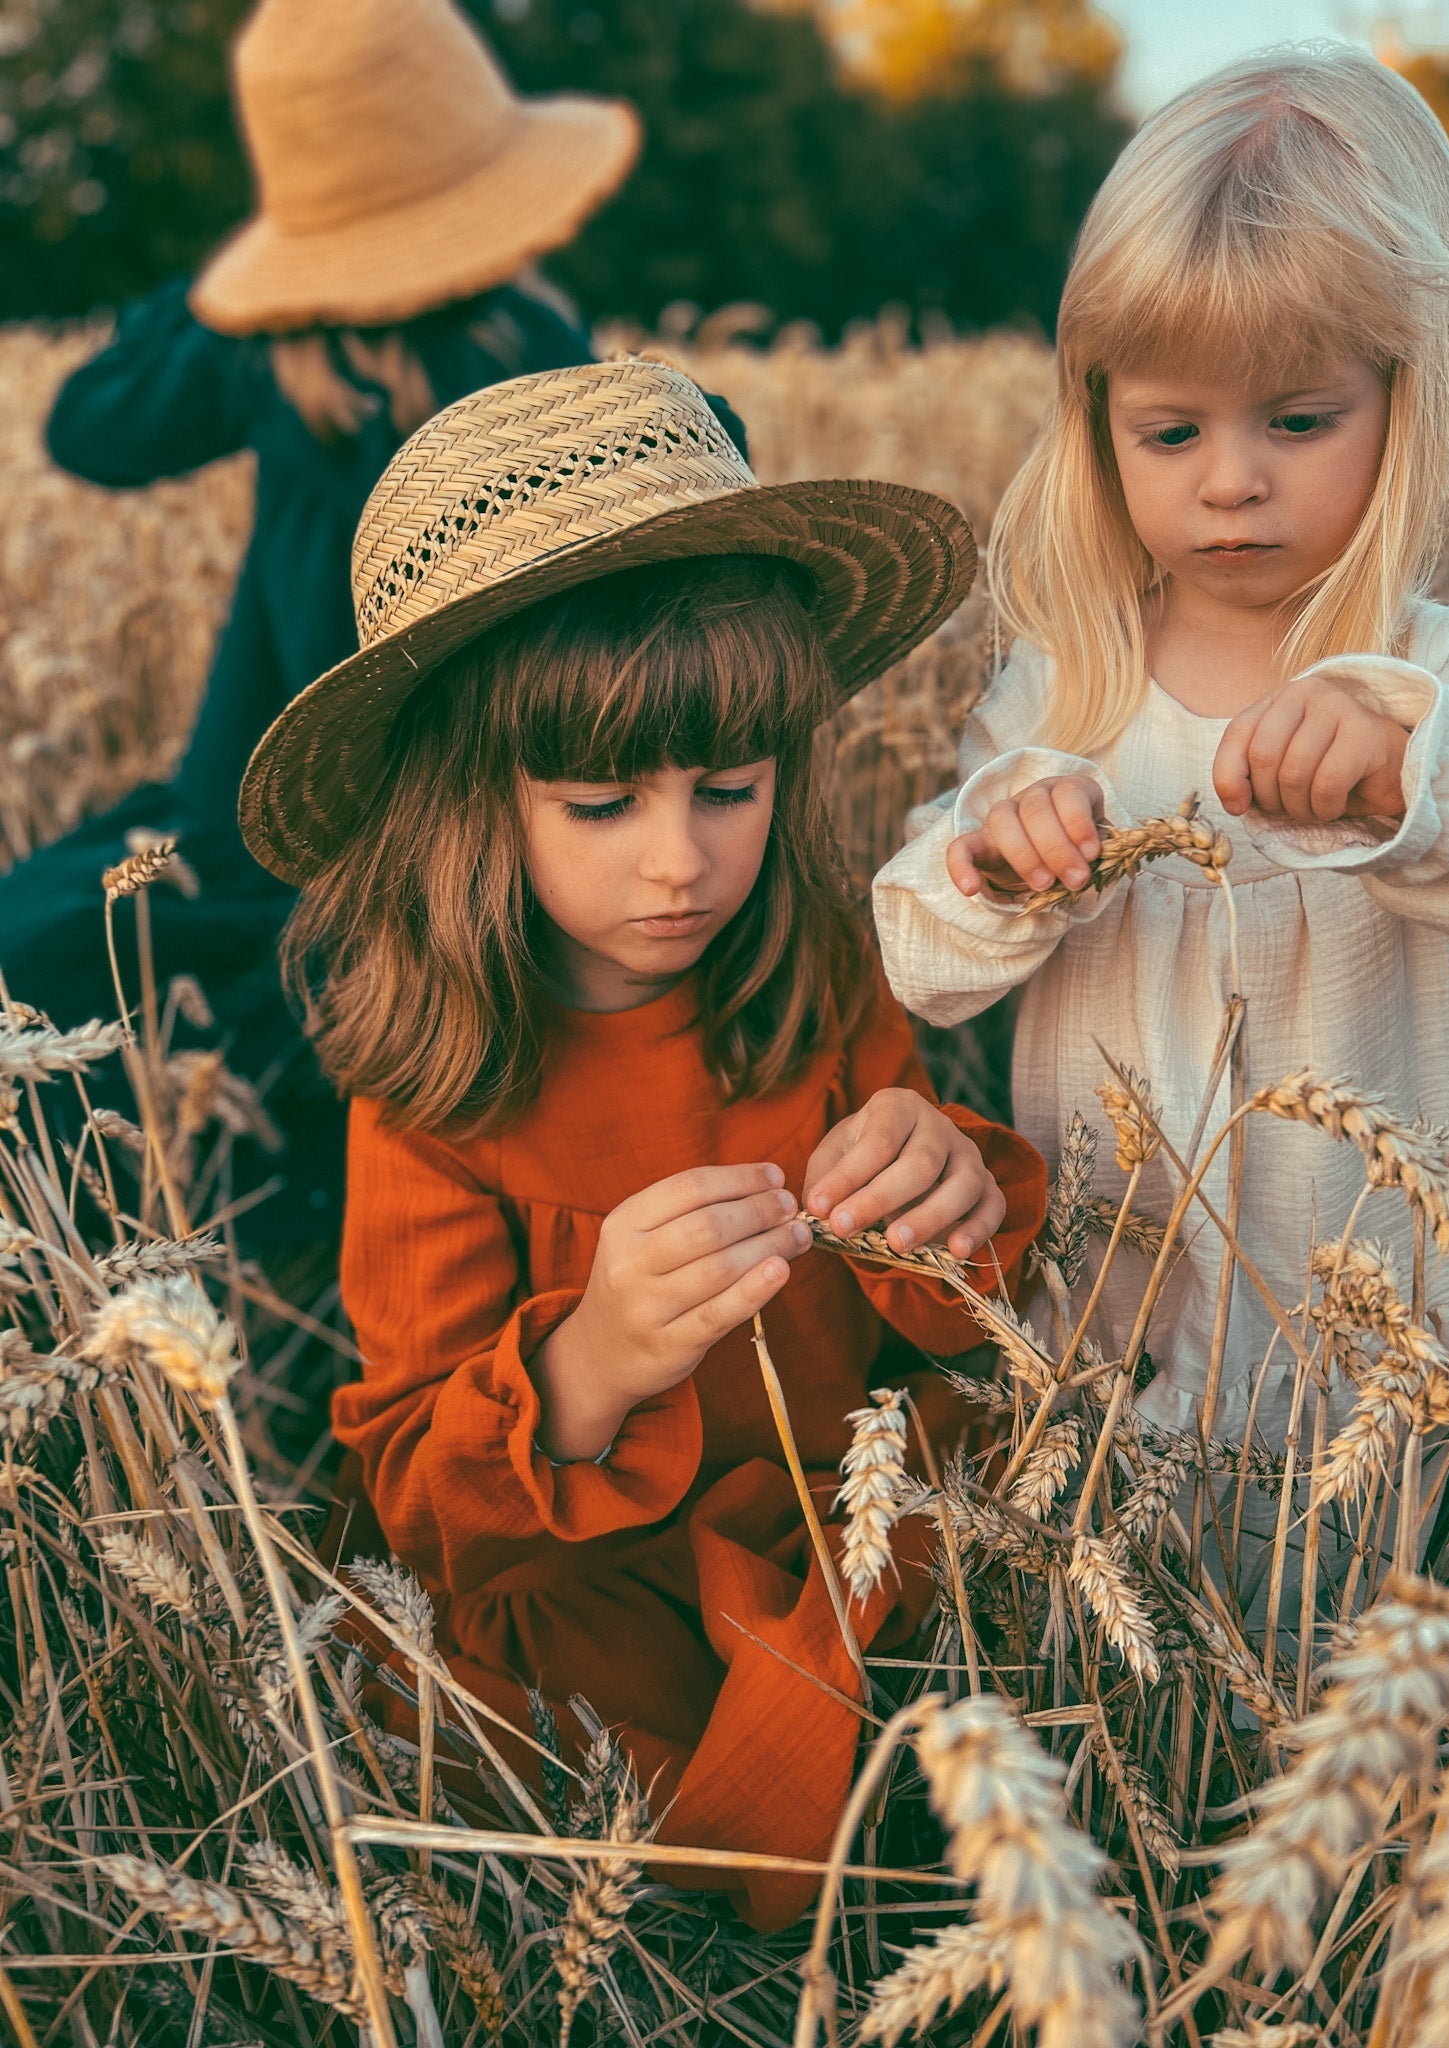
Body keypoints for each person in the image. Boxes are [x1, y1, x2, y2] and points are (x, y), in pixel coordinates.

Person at [236, 356, 1048, 1928]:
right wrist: (596, 1357)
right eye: (601, 803)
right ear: (471, 805)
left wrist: (946, 1185)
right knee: (544, 1756)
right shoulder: (431, 1088)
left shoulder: (816, 976)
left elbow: (961, 1326)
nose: (681, 862)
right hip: (590, 1595)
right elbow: (415, 1487)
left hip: (837, 1526)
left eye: (729, 788)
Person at [872, 46, 1449, 1446]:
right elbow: (918, 965)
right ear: (1097, 425)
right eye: (1170, 431)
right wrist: (996, 859)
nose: (1232, 479)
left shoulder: (1430, 672)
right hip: (1115, 1345)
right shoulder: (1068, 694)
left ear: (1403, 400)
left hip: (1365, 1356)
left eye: (1299, 421)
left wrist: (1407, 772)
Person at [1, 0, 639, 1237]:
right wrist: (288, 270)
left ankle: (183, 1248)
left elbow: (97, 419)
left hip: (357, 842)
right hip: (302, 823)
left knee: (43, 955)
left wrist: (263, 272)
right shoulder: (397, 345)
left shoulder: (468, 365)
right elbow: (91, 430)